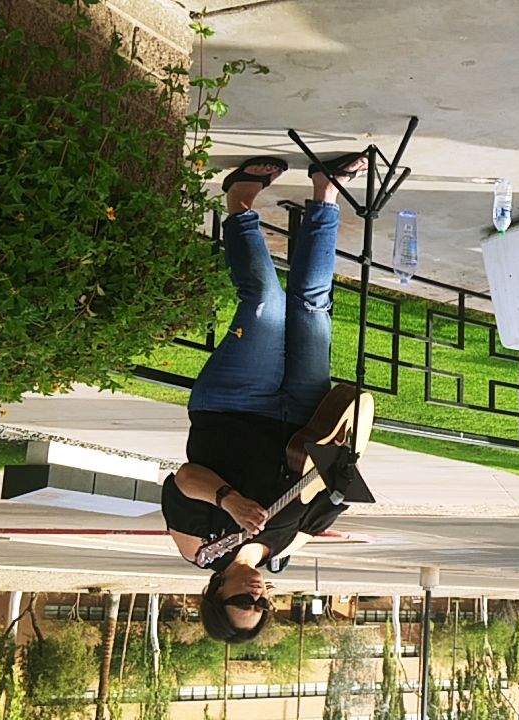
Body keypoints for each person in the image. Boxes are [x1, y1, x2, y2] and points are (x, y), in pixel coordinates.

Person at [160, 152, 367, 643]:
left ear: (215, 597)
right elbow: (326, 486)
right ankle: (326, 191)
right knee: (313, 306)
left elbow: (183, 479)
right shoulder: (285, 551)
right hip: (303, 413)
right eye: (262, 606)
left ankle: (239, 201)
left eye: (242, 603)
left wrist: (230, 501)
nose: (257, 596)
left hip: (232, 405)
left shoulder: (199, 550)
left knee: (265, 303)